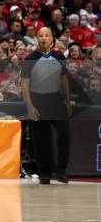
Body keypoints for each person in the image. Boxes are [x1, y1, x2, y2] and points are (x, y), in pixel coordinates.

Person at [21, 27, 71, 185]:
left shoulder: (58, 56)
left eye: (46, 35)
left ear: (52, 39)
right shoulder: (30, 58)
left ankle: (61, 171)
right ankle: (44, 173)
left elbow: (64, 79)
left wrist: (68, 101)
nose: (43, 38)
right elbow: (24, 84)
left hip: (56, 99)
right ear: (37, 39)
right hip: (38, 99)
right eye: (40, 36)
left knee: (65, 134)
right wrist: (30, 106)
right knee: (42, 139)